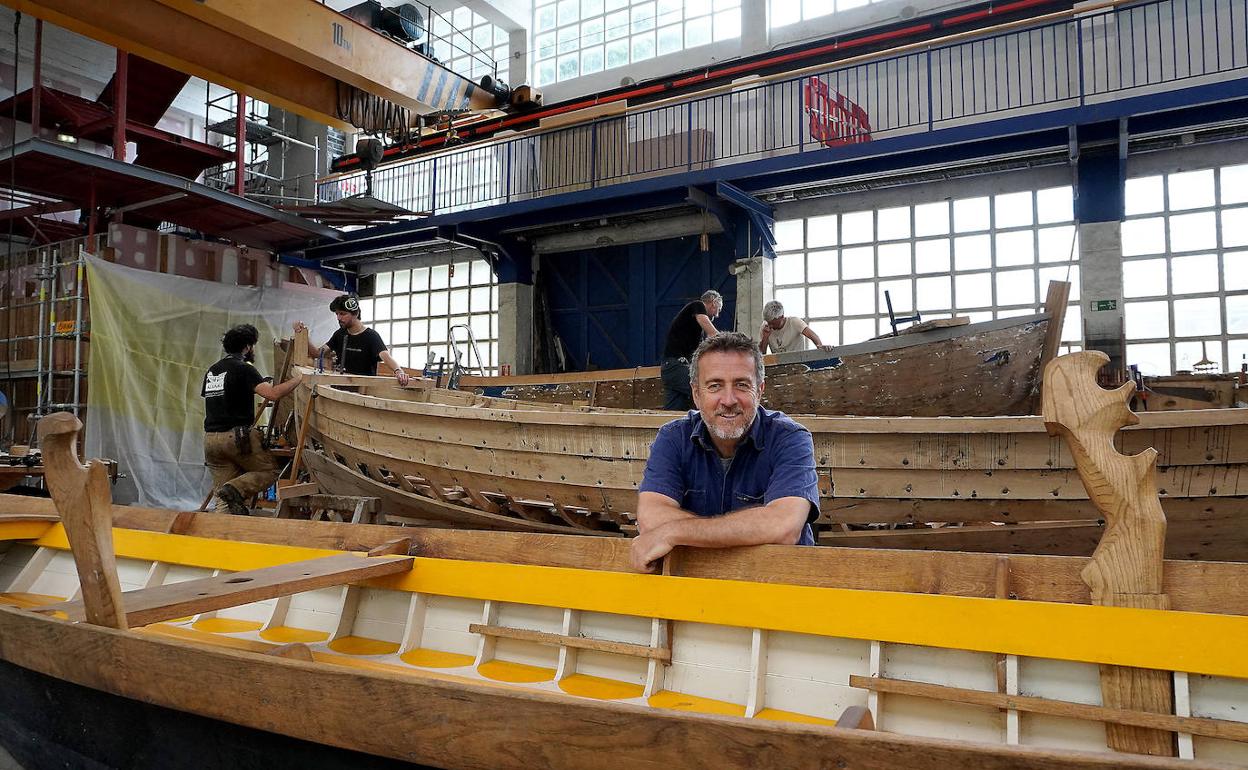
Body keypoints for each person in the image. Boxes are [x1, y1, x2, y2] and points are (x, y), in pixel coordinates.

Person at [631, 331, 821, 573]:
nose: (728, 399)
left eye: (742, 385)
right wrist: (748, 530)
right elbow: (650, 517)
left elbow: (783, 527)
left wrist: (674, 532)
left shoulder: (790, 439)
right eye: (715, 386)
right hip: (698, 585)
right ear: (696, 395)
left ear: (760, 391)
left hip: (777, 583)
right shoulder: (673, 438)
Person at [202, 324, 303, 515]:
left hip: (210, 441)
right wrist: (297, 379)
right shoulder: (244, 368)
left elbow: (224, 395)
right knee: (269, 472)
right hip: (235, 439)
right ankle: (235, 489)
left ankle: (221, 538)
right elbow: (272, 394)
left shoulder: (213, 370)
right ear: (247, 347)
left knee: (223, 500)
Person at [293, 294, 410, 385]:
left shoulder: (371, 336)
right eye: (337, 314)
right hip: (339, 387)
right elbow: (318, 354)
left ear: (355, 313)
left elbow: (386, 356)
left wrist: (399, 371)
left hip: (363, 390)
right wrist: (304, 336)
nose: (338, 318)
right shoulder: (339, 334)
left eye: (343, 314)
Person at [659, 289, 723, 411]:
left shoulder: (695, 330)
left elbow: (703, 349)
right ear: (713, 302)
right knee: (704, 390)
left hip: (671, 368)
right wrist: (729, 346)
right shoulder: (697, 305)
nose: (717, 315)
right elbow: (713, 334)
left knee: (675, 411)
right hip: (676, 365)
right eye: (718, 310)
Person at [758, 300, 833, 354]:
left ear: (782, 317)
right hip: (780, 365)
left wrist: (819, 346)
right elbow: (761, 354)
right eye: (769, 322)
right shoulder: (765, 327)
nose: (770, 326)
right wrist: (765, 337)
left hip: (798, 361)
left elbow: (812, 335)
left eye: (773, 323)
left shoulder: (794, 322)